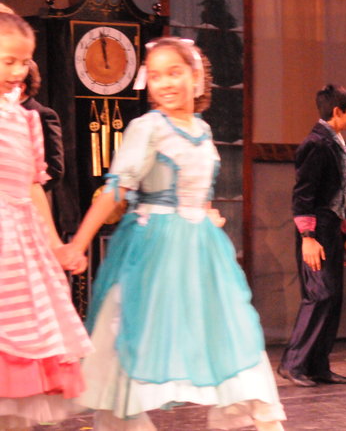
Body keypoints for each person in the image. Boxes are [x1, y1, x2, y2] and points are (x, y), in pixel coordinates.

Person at [61, 37, 285, 430]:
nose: (165, 83)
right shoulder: (147, 128)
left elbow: (198, 188)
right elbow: (116, 188)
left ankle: (260, 417)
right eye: (156, 75)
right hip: (154, 246)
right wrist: (78, 243)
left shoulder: (202, 128)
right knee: (131, 334)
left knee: (228, 328)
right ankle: (119, 421)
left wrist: (205, 212)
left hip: (200, 247)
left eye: (174, 72)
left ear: (195, 77)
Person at [0, 11, 92, 430]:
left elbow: (34, 187)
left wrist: (55, 243)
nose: (19, 71)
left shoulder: (25, 119)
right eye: (8, 61)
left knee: (24, 358)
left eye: (24, 61)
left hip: (20, 246)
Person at [277, 84, 346, 388]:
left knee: (332, 297)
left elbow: (340, 194)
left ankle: (318, 365)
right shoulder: (315, 144)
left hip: (332, 226)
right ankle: (292, 363)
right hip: (317, 228)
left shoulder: (336, 141)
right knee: (319, 294)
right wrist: (308, 237)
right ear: (337, 111)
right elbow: (303, 195)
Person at [20, 60, 65, 194]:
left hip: (31, 197)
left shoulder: (43, 115)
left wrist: (28, 191)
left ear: (21, 87)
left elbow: (55, 168)